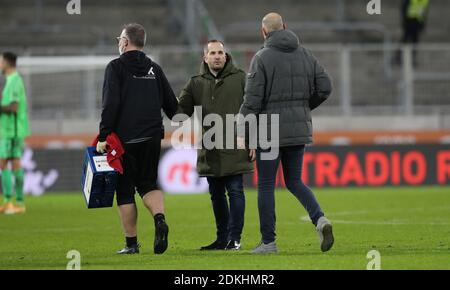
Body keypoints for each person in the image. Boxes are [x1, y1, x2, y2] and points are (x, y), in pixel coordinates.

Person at [237, 13, 333, 254]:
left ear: (263, 32)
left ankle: (268, 242)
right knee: (295, 181)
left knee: (267, 185)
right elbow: (325, 87)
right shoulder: (305, 54)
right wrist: (302, 108)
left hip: (269, 132)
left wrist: (243, 132)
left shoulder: (262, 58)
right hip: (298, 130)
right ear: (285, 27)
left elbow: (252, 101)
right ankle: (320, 219)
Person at [97, 23, 178, 255]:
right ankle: (160, 219)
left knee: (124, 191)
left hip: (125, 141)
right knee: (148, 184)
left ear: (124, 42)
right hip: (152, 137)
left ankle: (131, 244)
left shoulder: (115, 67)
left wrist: (103, 135)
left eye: (119, 39)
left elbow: (110, 104)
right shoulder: (155, 68)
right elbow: (173, 108)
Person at [177, 40, 254, 250]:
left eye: (220, 52)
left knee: (236, 191)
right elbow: (179, 113)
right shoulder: (195, 83)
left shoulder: (240, 78)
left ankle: (234, 238)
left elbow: (254, 107)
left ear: (226, 55)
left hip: (236, 143)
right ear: (205, 57)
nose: (217, 56)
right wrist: (163, 98)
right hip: (209, 147)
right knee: (216, 194)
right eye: (213, 53)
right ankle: (222, 239)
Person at [0, 52, 30, 215]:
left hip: (13, 131)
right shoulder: (11, 81)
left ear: (6, 62)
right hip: (8, 130)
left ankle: (17, 202)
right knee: (6, 163)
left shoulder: (15, 81)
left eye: (0, 61)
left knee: (9, 163)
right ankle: (11, 202)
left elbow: (14, 107)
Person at [395, 0, 430, 66]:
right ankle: (398, 57)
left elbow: (423, 11)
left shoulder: (425, 1)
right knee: (405, 40)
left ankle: (412, 59)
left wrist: (422, 24)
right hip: (409, 21)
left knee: (415, 41)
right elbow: (404, 8)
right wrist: (404, 21)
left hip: (417, 22)